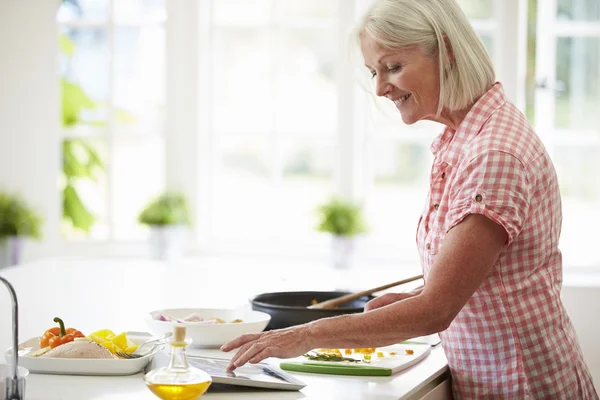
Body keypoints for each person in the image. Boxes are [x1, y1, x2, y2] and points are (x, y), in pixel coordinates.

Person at [221, 0, 599, 398]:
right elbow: (495, 279)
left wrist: (305, 336)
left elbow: (438, 310)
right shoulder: (467, 138)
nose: (381, 88)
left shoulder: (493, 154)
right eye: (374, 72)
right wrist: (415, 297)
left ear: (446, 50)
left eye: (393, 67)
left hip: (524, 386)